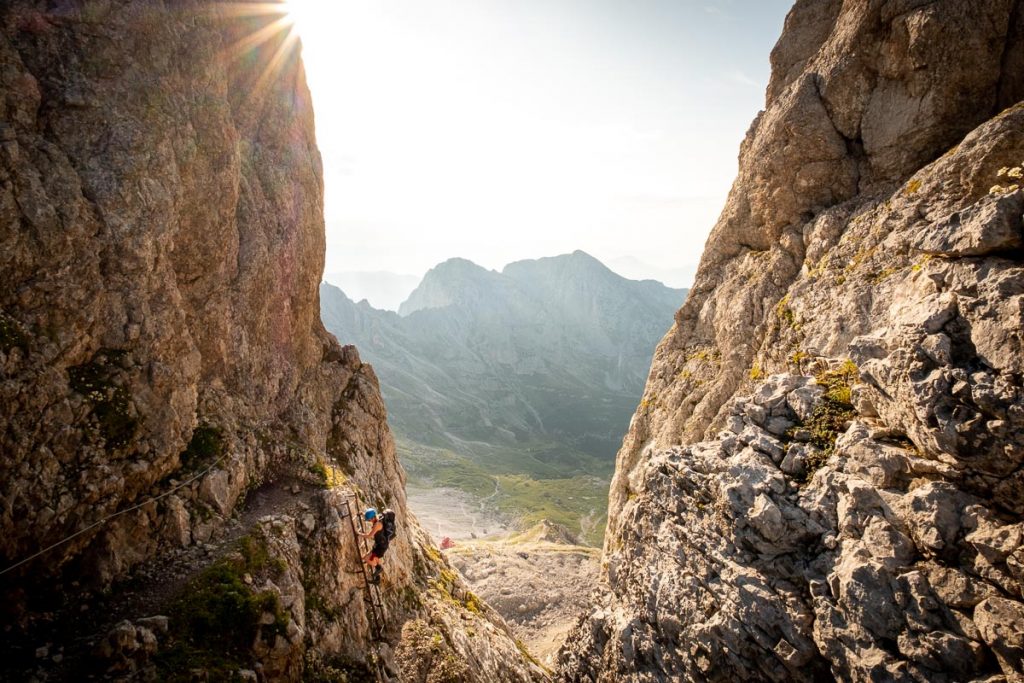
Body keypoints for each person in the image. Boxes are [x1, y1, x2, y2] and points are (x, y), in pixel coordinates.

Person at [358, 507, 388, 583]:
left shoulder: (377, 525)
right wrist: (363, 514)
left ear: (373, 518)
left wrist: (359, 534)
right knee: (375, 559)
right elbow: (370, 516)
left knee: (366, 558)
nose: (369, 521)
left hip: (381, 547)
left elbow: (369, 536)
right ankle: (377, 580)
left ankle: (379, 568)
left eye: (369, 519)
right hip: (380, 544)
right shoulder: (377, 518)